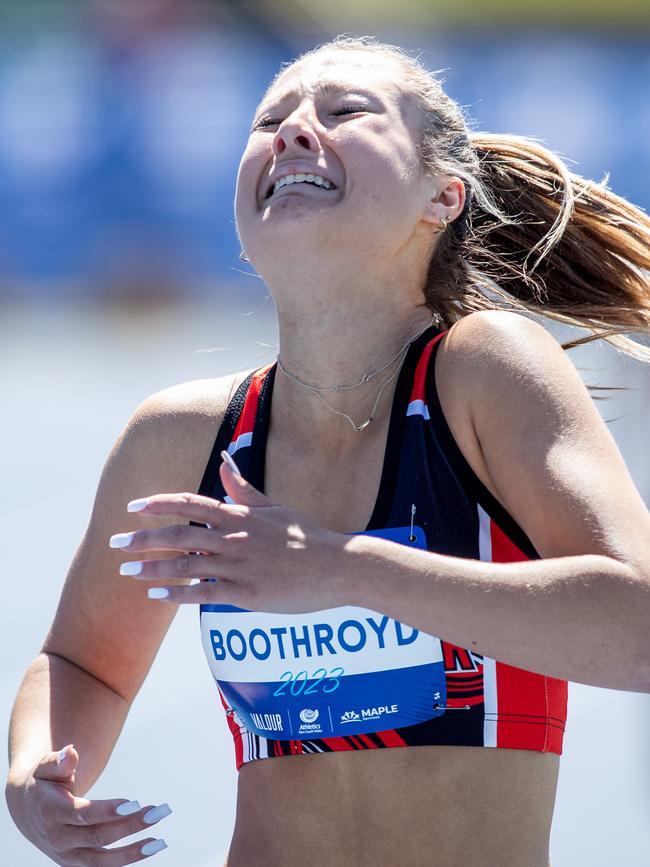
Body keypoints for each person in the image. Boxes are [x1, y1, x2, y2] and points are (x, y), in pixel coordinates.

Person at [5, 33, 650, 867]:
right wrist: (34, 778)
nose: (293, 131)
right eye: (269, 117)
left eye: (345, 112)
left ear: (442, 196)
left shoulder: (483, 371)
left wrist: (342, 566)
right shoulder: (184, 438)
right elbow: (80, 663)